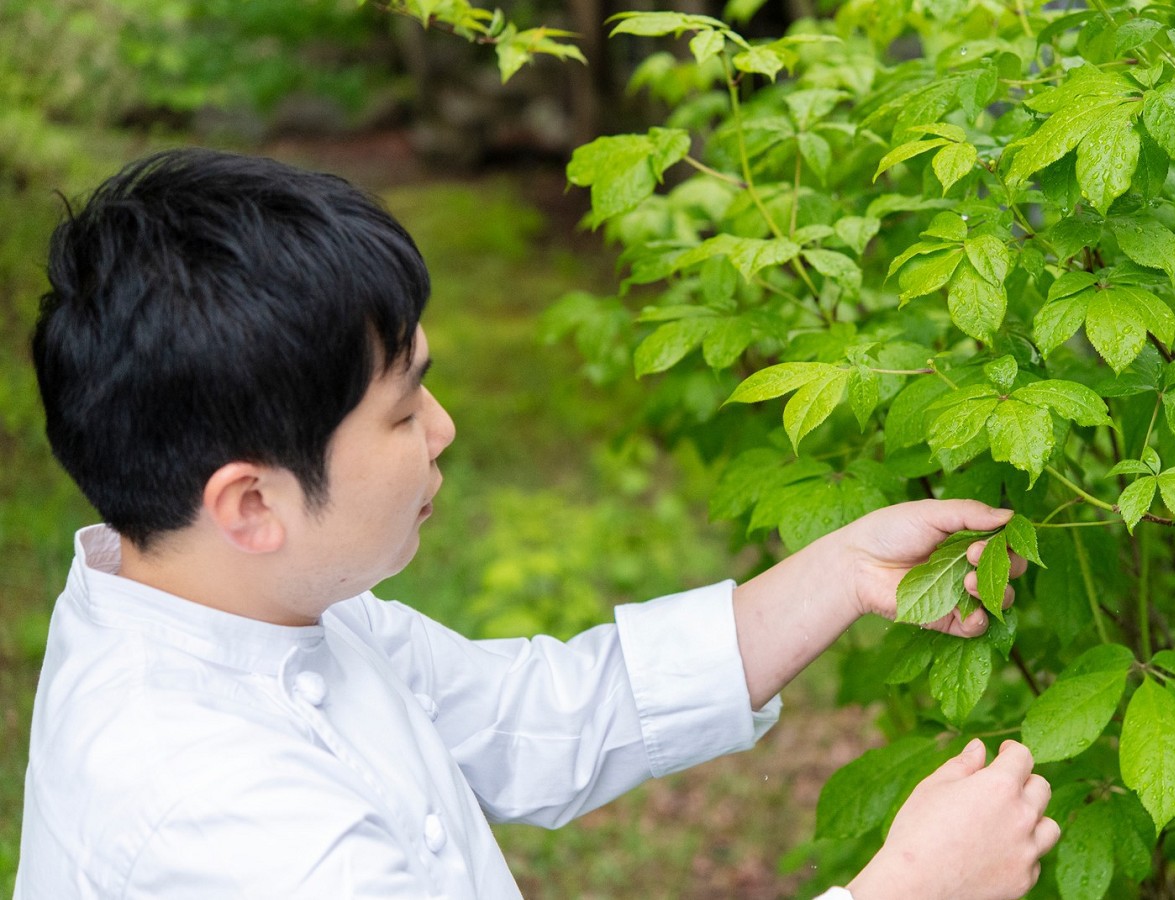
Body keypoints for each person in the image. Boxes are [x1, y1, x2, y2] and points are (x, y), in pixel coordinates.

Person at [16, 149, 1059, 900]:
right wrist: (917, 887)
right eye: (402, 408)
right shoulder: (226, 825)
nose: (445, 427)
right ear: (251, 504)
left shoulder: (254, 603)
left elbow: (532, 718)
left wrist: (835, 573)